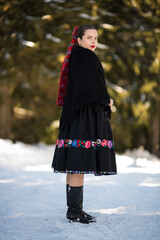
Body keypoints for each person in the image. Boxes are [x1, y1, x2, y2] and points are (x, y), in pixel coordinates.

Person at [51, 24, 117, 224]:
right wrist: (106, 101)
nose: (93, 41)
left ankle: (74, 210)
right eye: (89, 37)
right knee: (78, 163)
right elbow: (91, 87)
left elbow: (86, 86)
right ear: (78, 39)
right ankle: (75, 211)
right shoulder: (85, 57)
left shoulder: (76, 57)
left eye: (95, 38)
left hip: (76, 115)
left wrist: (103, 99)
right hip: (84, 116)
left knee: (74, 163)